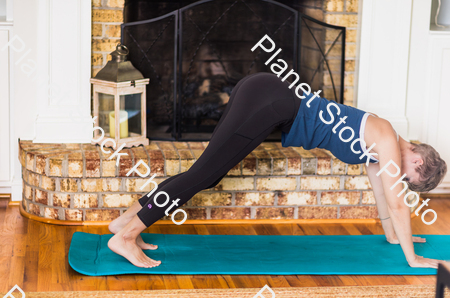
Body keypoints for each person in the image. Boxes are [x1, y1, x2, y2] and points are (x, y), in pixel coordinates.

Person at [107, 72, 447, 269]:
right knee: (204, 175)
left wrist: (392, 236)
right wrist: (412, 259)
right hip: (271, 102)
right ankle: (125, 236)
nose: (399, 181)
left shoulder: (382, 144)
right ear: (417, 161)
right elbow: (399, 201)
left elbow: (382, 195)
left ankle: (126, 219)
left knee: (205, 171)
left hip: (264, 92)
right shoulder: (387, 138)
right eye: (407, 178)